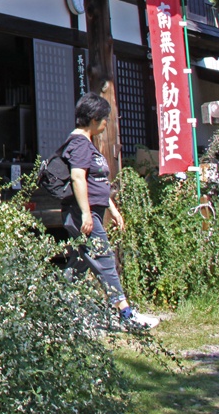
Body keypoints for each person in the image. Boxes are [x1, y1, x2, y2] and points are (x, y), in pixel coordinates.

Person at [62, 92, 159, 329]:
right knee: (104, 259)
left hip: (89, 212)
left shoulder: (87, 144)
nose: (107, 123)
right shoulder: (79, 144)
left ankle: (56, 309)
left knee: (79, 263)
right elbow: (78, 178)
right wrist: (86, 213)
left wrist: (112, 209)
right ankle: (126, 314)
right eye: (105, 118)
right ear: (94, 118)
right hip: (83, 214)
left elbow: (97, 182)